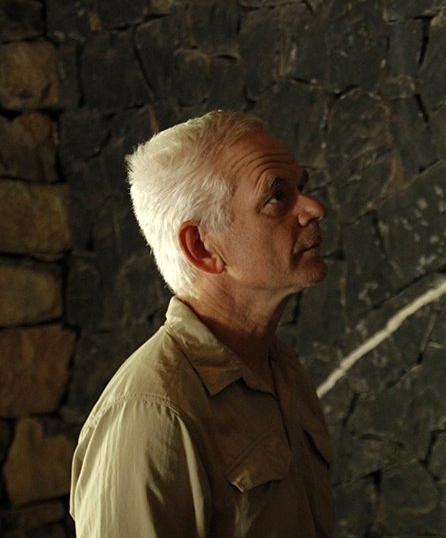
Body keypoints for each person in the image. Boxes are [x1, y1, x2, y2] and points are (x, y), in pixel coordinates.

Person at [70, 111, 335, 537]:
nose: (314, 208)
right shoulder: (152, 412)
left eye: (301, 186)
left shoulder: (281, 369)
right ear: (202, 247)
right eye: (277, 196)